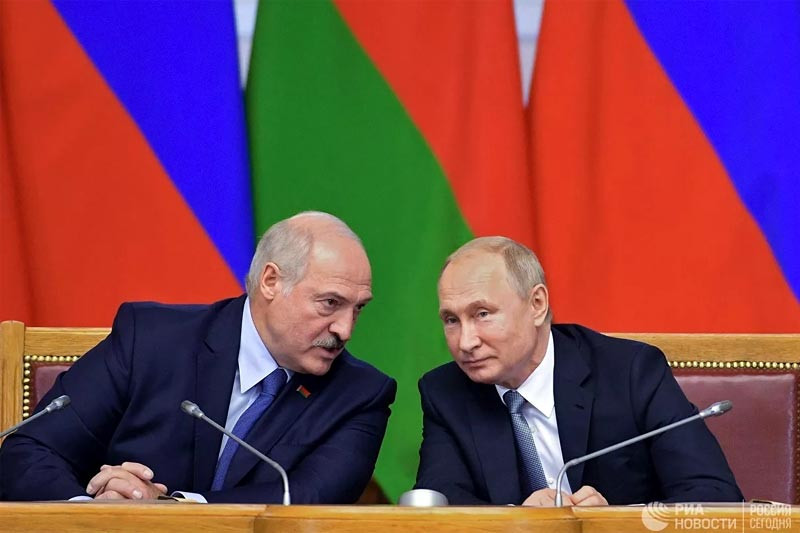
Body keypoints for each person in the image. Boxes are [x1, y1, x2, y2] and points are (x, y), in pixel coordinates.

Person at [0, 211, 396, 503]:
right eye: (330, 303)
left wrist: (167, 511)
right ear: (271, 281)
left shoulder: (359, 394)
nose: (345, 329)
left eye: (358, 308)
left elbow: (309, 499)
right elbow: (29, 450)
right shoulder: (150, 340)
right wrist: (94, 513)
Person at [415, 236, 742, 506]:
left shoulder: (630, 372)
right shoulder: (445, 392)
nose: (466, 342)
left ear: (537, 304)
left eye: (482, 314)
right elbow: (439, 506)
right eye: (451, 320)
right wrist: (515, 520)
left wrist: (613, 523)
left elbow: (716, 496)